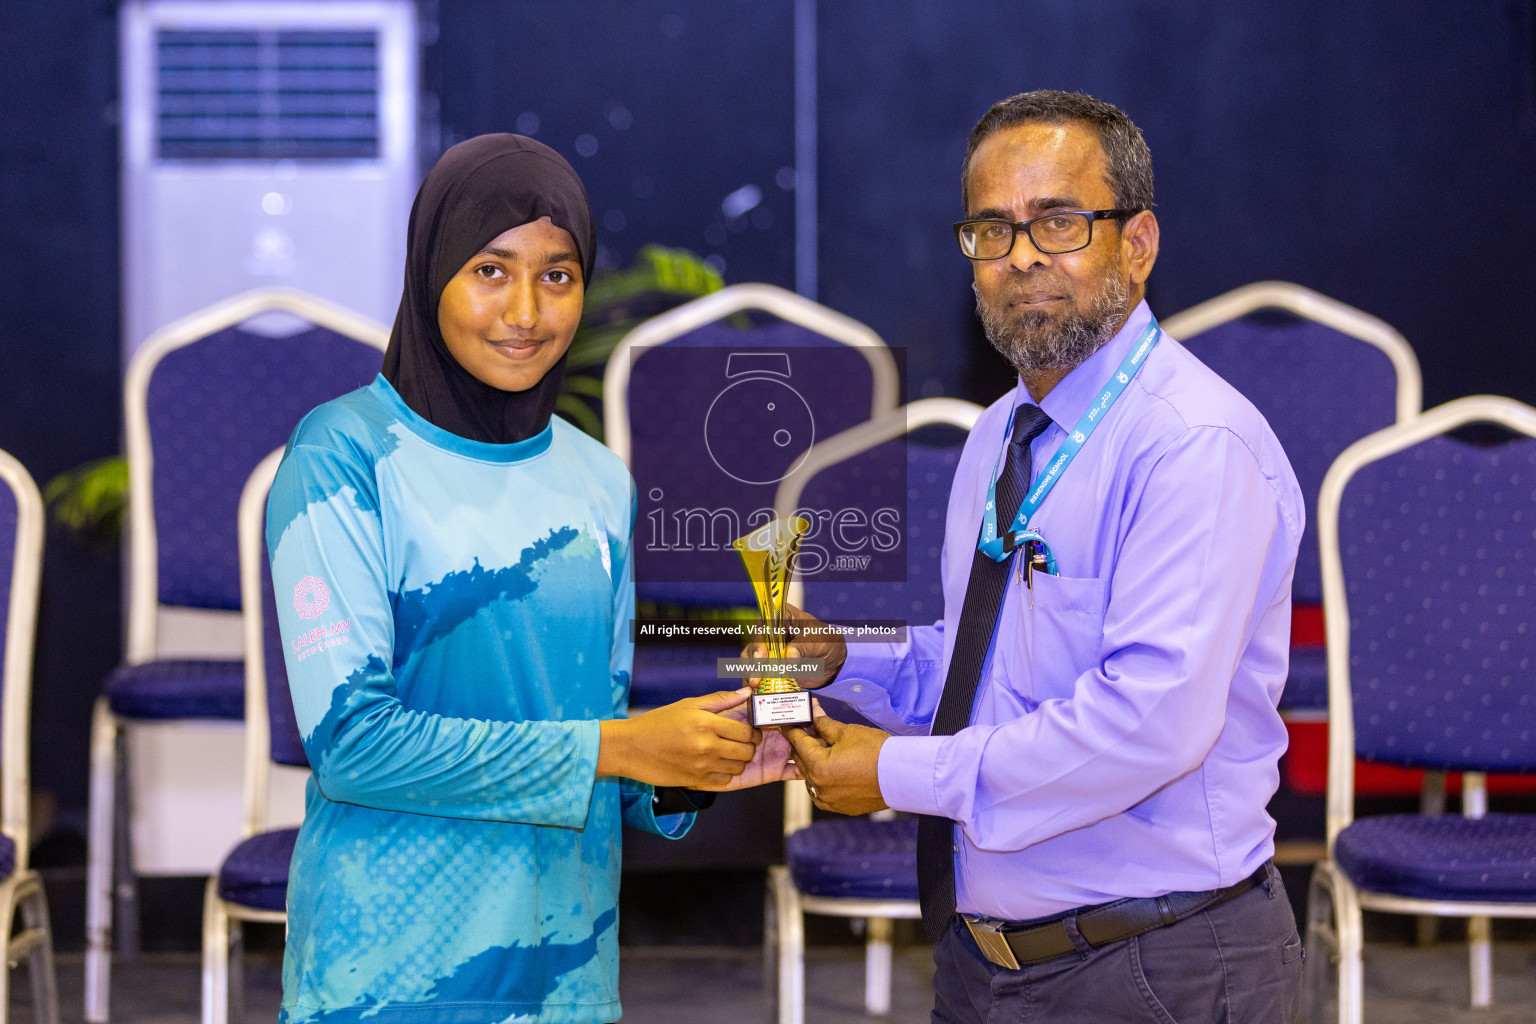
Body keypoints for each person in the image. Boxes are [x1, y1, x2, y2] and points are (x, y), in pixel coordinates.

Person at [780, 91, 1306, 1023]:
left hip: (1157, 964)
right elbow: (990, 664)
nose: (1021, 255)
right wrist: (847, 662)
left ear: (1136, 244)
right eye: (991, 229)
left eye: (1058, 222)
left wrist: (897, 773)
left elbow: (1146, 724)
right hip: (985, 965)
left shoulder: (1193, 445)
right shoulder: (1001, 435)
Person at [266, 134, 792, 1024]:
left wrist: (689, 765)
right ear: (432, 272)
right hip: (389, 978)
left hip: (566, 976)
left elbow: (600, 733)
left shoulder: (597, 480)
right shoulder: (342, 457)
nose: (525, 311)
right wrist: (619, 747)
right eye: (489, 270)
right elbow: (353, 746)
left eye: (558, 276)